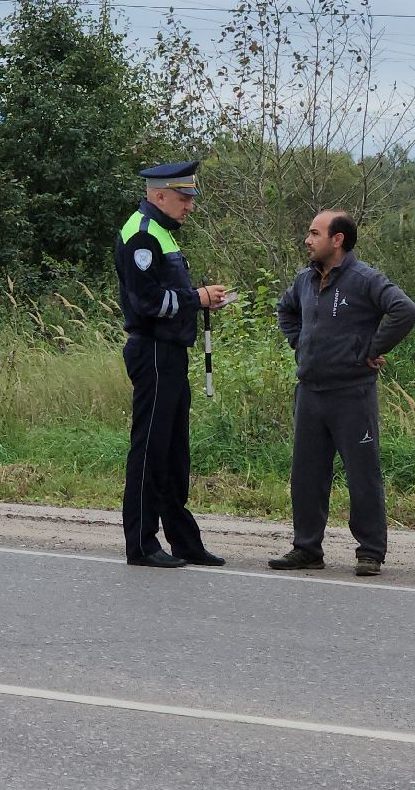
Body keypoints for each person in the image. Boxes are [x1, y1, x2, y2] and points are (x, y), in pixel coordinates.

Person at [268, 210, 415, 577]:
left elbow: (405, 310)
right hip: (310, 393)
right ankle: (307, 549)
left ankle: (370, 552)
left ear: (337, 240)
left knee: (362, 474)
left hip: (352, 394)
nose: (307, 239)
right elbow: (285, 311)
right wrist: (300, 344)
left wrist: (370, 350)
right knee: (306, 476)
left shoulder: (364, 279)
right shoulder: (304, 280)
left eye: (314, 233)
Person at [114, 161, 231, 568]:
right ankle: (142, 544)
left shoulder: (162, 233)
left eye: (191, 199)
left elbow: (169, 292)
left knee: (174, 452)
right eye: (183, 199)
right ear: (159, 195)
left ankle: (184, 540)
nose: (190, 207)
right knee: (150, 450)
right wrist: (196, 299)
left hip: (172, 353)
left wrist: (199, 299)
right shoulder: (142, 236)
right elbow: (148, 303)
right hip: (154, 352)